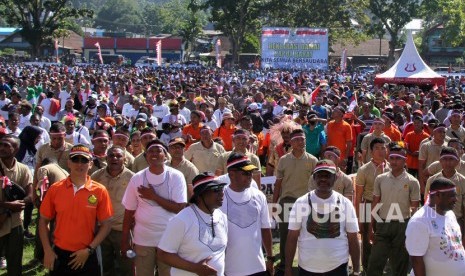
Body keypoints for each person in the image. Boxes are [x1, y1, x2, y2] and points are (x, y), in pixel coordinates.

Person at [39, 144, 114, 275]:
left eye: (84, 160)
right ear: (68, 163)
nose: (79, 164)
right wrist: (47, 250)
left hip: (87, 254)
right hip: (59, 254)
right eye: (75, 159)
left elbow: (106, 224)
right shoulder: (55, 189)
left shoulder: (100, 191)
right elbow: (43, 221)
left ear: (90, 164)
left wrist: (89, 249)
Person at [121, 140, 187, 276]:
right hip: (143, 239)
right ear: (145, 156)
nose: (155, 153)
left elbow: (179, 208)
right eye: (151, 151)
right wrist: (125, 239)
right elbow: (129, 211)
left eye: (159, 150)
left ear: (165, 155)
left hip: (169, 240)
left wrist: (154, 196)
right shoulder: (137, 178)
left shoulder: (176, 176)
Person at [285, 159, 360, 275]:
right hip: (307, 268)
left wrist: (356, 270)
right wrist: (288, 269)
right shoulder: (301, 203)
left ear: (335, 178)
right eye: (320, 175)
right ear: (314, 178)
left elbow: (353, 238)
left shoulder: (345, 204)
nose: (323, 179)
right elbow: (292, 237)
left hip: (338, 266)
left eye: (328, 175)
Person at [157, 172, 228, 276]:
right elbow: (163, 254)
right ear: (200, 196)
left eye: (221, 189)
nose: (221, 193)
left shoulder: (222, 217)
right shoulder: (182, 220)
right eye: (215, 190)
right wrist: (196, 268)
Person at [366, 143, 420, 276]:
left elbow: (414, 209)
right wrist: (371, 226)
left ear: (404, 160)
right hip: (383, 224)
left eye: (398, 158)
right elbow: (375, 203)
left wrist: (413, 232)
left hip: (403, 226)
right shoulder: (380, 179)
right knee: (375, 262)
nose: (394, 161)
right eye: (392, 158)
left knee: (400, 264)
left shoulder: (413, 182)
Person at [273, 128, 318, 274]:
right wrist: (274, 204)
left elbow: (317, 185)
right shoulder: (283, 160)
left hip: (306, 203)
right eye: (298, 140)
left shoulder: (313, 160)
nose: (301, 142)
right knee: (285, 236)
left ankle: (307, 265)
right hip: (287, 202)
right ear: (291, 143)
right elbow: (278, 184)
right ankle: (285, 265)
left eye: (303, 139)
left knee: (308, 235)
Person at [221, 153, 274, 276]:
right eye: (245, 173)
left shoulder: (259, 196)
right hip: (230, 269)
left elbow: (266, 228)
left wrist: (270, 257)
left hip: (258, 267)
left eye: (251, 172)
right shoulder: (219, 198)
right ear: (231, 174)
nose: (250, 176)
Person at [406, 178, 465, 276]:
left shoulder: (450, 214)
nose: (456, 199)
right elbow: (416, 259)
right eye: (452, 196)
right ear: (438, 195)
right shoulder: (420, 221)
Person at [91, 146, 134, 276]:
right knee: (104, 266)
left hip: (123, 229)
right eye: (111, 156)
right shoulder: (96, 176)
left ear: (124, 159)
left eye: (118, 156)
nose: (114, 158)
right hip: (102, 229)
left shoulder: (132, 178)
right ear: (106, 157)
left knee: (128, 266)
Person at [0, 134, 33, 275]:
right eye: (0, 144)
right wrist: (8, 205)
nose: (1, 148)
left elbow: (31, 195)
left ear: (16, 149)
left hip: (15, 221)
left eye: (6, 145)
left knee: (14, 263)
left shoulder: (23, 169)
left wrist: (19, 203)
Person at [354, 137, 389, 272]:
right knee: (368, 239)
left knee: (384, 237)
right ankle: (367, 268)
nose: (380, 151)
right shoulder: (364, 169)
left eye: (383, 148)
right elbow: (358, 196)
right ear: (370, 151)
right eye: (377, 148)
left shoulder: (391, 168)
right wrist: (359, 218)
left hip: (387, 207)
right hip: (368, 205)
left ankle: (381, 267)